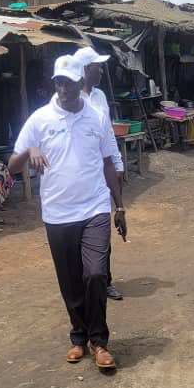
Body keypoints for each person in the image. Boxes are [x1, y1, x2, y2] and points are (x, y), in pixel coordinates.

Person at [8, 54, 126, 370]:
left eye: (69, 82)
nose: (63, 88)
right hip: (58, 213)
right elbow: (11, 165)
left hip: (94, 208)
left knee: (96, 273)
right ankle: (79, 337)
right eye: (58, 82)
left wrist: (119, 205)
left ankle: (99, 341)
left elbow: (107, 163)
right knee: (71, 282)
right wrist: (30, 150)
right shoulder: (39, 119)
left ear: (79, 82)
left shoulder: (97, 117)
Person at [75, 46, 126, 301]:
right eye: (97, 66)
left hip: (102, 173)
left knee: (102, 228)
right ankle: (85, 282)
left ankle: (105, 281)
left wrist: (118, 166)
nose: (102, 71)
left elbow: (108, 137)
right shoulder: (71, 100)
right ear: (86, 70)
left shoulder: (100, 97)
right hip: (81, 176)